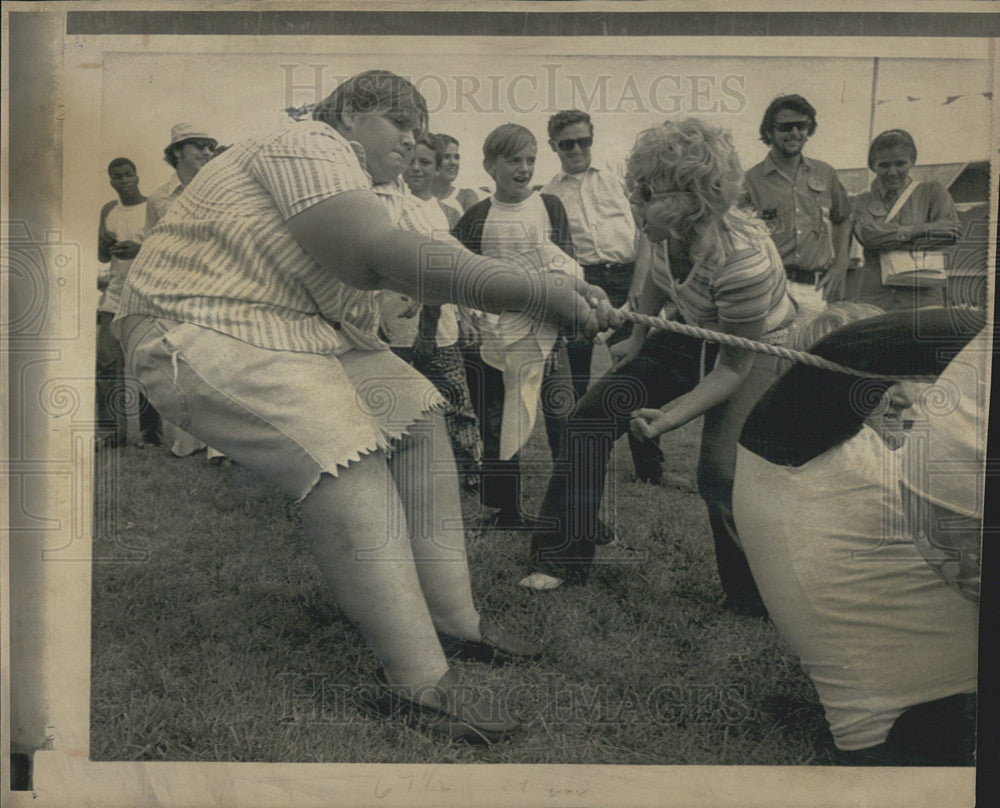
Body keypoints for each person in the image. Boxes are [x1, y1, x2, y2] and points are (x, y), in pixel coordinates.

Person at [113, 70, 617, 742]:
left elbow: (430, 256)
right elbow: (374, 256)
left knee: (416, 414)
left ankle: (455, 624)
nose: (413, 142)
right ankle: (419, 683)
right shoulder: (307, 142)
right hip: (197, 325)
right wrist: (530, 293)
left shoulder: (374, 186)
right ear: (350, 113)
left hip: (299, 332)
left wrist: (562, 287)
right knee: (344, 454)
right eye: (400, 125)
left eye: (419, 132)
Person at [527, 118, 795, 601]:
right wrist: (639, 331)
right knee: (590, 418)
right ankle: (562, 554)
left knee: (719, 473)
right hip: (688, 326)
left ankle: (755, 597)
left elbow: (730, 370)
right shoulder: (663, 226)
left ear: (687, 201)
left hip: (753, 347)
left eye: (645, 192)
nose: (633, 200)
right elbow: (656, 273)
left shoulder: (744, 262)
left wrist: (669, 416)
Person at [733, 306, 985, 764]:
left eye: (911, 380)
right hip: (921, 729)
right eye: (881, 387)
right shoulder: (784, 458)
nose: (904, 398)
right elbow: (858, 349)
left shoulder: (882, 457)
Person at [453, 123, 579, 528]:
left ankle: (569, 509)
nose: (523, 169)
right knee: (496, 423)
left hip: (547, 336)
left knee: (562, 420)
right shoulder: (476, 217)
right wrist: (470, 318)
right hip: (495, 339)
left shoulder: (550, 207)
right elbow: (460, 276)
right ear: (491, 165)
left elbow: (568, 270)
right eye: (513, 160)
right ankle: (504, 509)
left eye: (530, 160)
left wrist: (560, 333)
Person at [541, 110, 661, 481]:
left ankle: (650, 468)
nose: (576, 149)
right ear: (553, 147)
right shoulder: (547, 195)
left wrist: (639, 285)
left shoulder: (617, 180)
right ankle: (570, 465)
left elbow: (646, 234)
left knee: (635, 372)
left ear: (592, 139)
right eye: (567, 144)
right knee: (571, 379)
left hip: (628, 276)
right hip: (582, 283)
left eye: (583, 140)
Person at [377, 133, 482, 488]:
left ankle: (470, 475)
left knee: (455, 405)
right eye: (412, 161)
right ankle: (397, 475)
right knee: (397, 406)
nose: (416, 168)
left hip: (439, 333)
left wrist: (450, 321)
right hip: (393, 329)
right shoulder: (386, 207)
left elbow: (445, 274)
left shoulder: (441, 213)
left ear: (438, 170)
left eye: (426, 162)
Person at [144, 122, 227, 459]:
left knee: (217, 364)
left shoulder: (221, 191)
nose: (207, 151)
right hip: (174, 291)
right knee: (181, 366)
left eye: (210, 145)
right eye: (199, 145)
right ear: (177, 151)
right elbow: (152, 246)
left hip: (215, 286)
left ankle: (220, 448)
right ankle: (187, 443)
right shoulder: (158, 199)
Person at [743, 94, 852, 315]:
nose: (794, 133)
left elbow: (843, 218)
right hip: (769, 288)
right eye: (785, 127)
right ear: (768, 132)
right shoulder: (750, 181)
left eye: (801, 126)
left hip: (815, 289)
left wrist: (841, 265)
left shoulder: (826, 173)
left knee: (811, 348)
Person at [848, 128, 960, 312]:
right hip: (876, 297)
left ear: (911, 162)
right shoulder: (862, 201)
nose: (892, 171)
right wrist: (923, 232)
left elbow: (950, 232)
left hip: (924, 296)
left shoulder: (932, 191)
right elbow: (869, 238)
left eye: (900, 164)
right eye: (884, 165)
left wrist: (905, 232)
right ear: (873, 166)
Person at [95, 157, 150, 446]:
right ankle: (109, 433)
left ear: (137, 176)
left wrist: (139, 250)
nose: (124, 180)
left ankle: (150, 434)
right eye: (117, 176)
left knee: (146, 363)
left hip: (145, 295)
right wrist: (105, 245)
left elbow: (164, 251)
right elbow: (103, 257)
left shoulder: (152, 206)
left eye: (129, 174)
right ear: (111, 181)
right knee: (106, 363)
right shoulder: (108, 209)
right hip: (114, 295)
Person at [431, 133, 480, 222]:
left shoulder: (466, 197)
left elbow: (474, 233)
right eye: (446, 156)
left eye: (456, 157)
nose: (453, 162)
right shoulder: (417, 197)